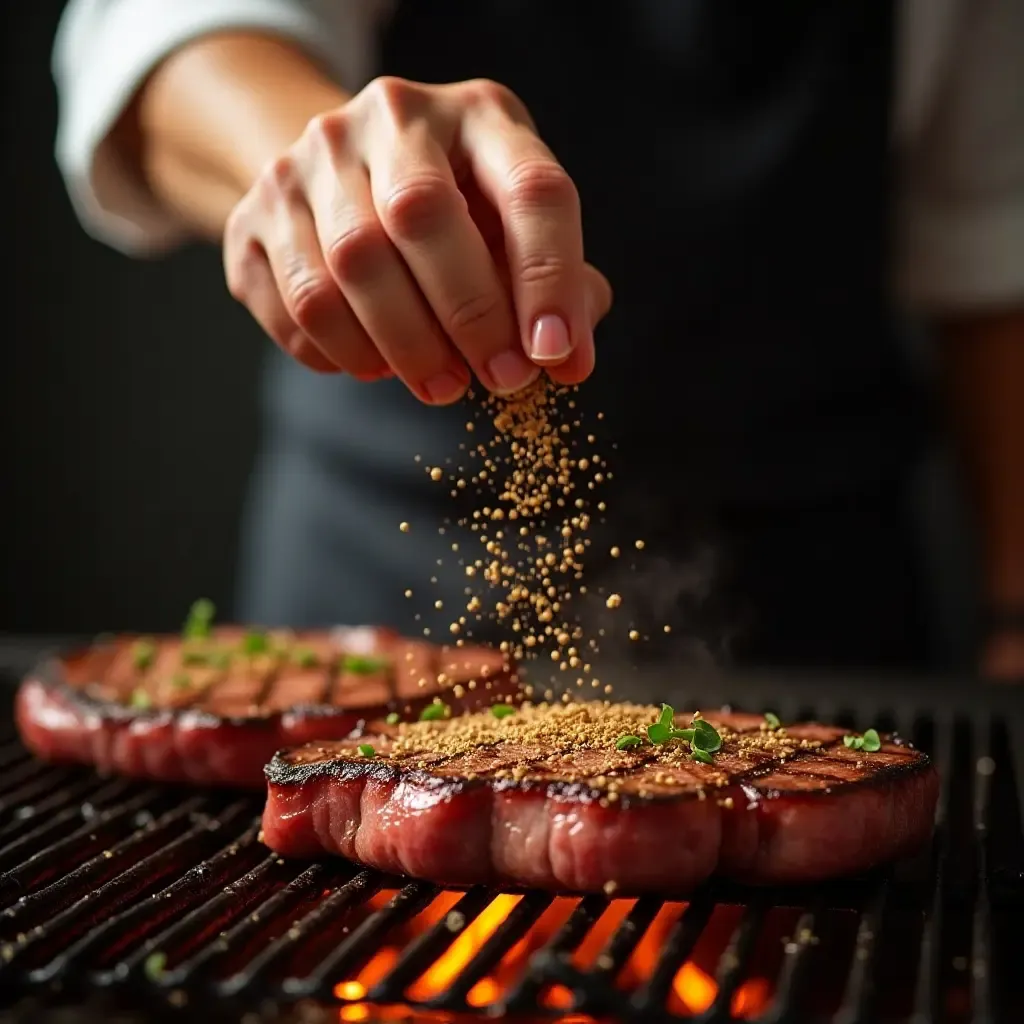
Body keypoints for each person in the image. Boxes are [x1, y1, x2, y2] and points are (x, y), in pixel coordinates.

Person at [53, 1, 1024, 679]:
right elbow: (169, 38)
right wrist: (332, 183)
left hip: (820, 586)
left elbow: (995, 258)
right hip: (376, 580)